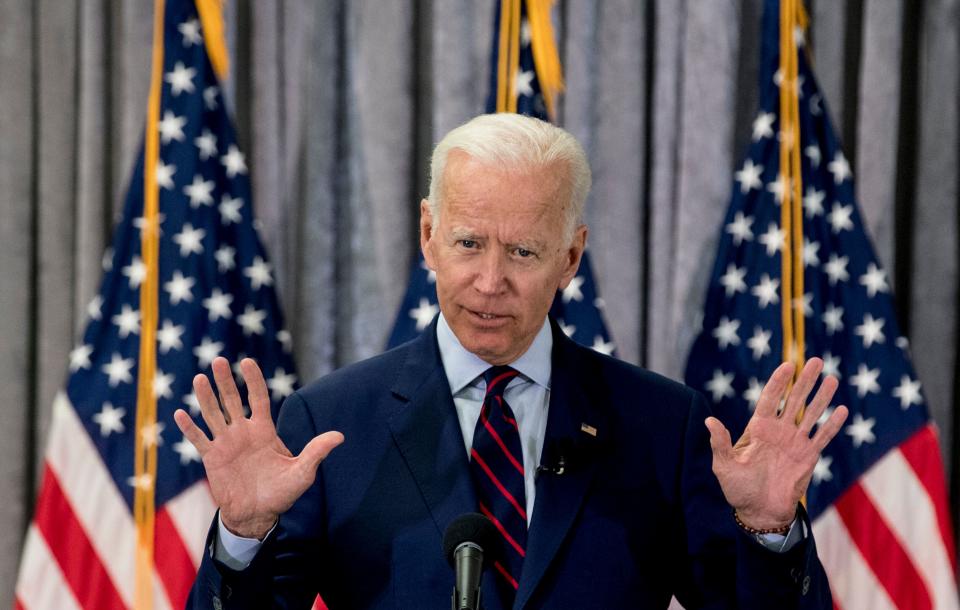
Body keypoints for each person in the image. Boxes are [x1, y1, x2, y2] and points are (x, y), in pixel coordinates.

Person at [175, 113, 848, 609]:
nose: (490, 281)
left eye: (523, 252)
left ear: (571, 257)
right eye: (468, 242)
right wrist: (242, 535)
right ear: (427, 235)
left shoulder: (662, 426)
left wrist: (767, 532)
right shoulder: (332, 422)